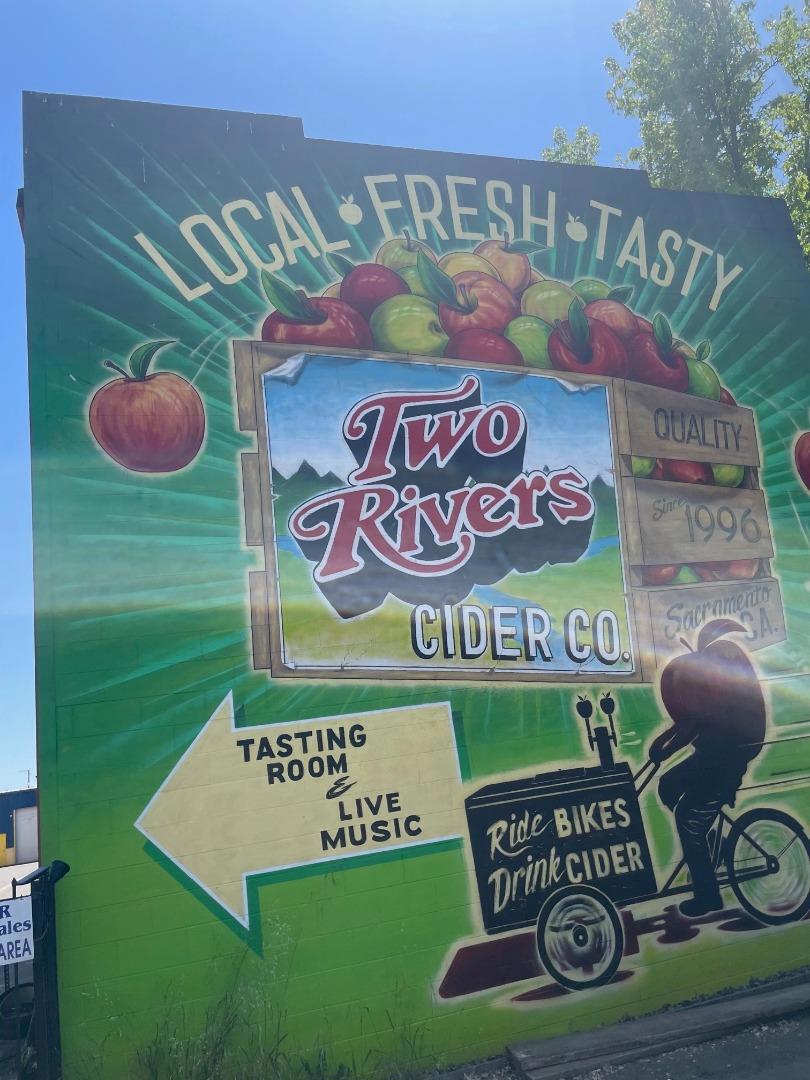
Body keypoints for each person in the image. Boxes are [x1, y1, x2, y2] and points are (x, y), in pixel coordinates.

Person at [648, 624, 766, 917]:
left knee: (687, 819)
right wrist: (661, 743)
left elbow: (691, 725)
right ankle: (711, 840)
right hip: (710, 756)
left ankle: (708, 895)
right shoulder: (710, 682)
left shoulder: (715, 677)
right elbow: (689, 721)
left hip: (726, 758)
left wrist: (665, 750)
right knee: (668, 785)